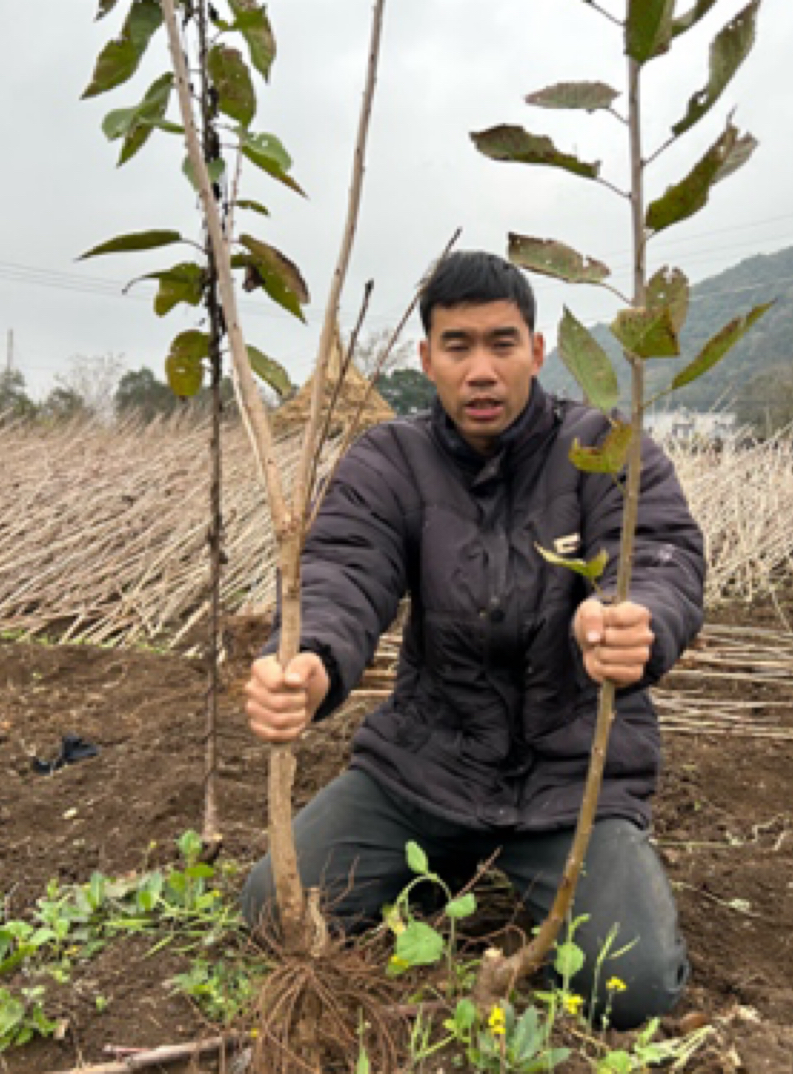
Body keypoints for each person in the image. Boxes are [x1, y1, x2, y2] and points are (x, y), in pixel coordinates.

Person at [241, 251, 705, 1029]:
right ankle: (452, 859)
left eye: (502, 343)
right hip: (426, 765)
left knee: (634, 988)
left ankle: (548, 872)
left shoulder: (605, 445)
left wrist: (635, 619)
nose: (481, 370)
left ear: (538, 349)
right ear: (426, 358)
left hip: (570, 782)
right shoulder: (391, 460)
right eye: (458, 346)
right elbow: (343, 572)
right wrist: (311, 660)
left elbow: (660, 553)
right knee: (271, 914)